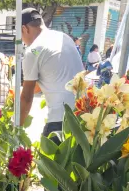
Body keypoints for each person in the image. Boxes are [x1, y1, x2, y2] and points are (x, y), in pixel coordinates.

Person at [20, 8, 83, 141]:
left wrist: (15, 129)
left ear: (24, 29)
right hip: (83, 116)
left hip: (60, 122)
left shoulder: (33, 51)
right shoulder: (64, 38)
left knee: (45, 160)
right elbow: (51, 78)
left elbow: (26, 98)